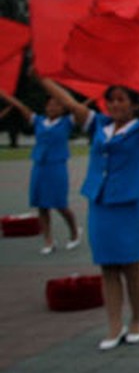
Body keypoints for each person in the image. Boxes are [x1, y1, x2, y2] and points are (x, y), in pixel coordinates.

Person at [41, 79, 139, 349]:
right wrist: (43, 78)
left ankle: (137, 319)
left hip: (128, 203)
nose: (114, 104)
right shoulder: (99, 125)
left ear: (134, 105)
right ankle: (114, 324)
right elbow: (70, 103)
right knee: (107, 267)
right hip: (101, 203)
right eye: (111, 99)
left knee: (131, 266)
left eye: (121, 99)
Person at [0, 83, 82, 254]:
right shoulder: (38, 121)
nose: (52, 107)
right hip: (39, 167)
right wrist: (4, 94)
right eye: (50, 104)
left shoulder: (67, 122)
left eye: (57, 104)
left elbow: (79, 107)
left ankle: (74, 233)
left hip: (57, 167)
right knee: (41, 206)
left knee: (60, 205)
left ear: (63, 108)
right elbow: (20, 106)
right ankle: (48, 240)